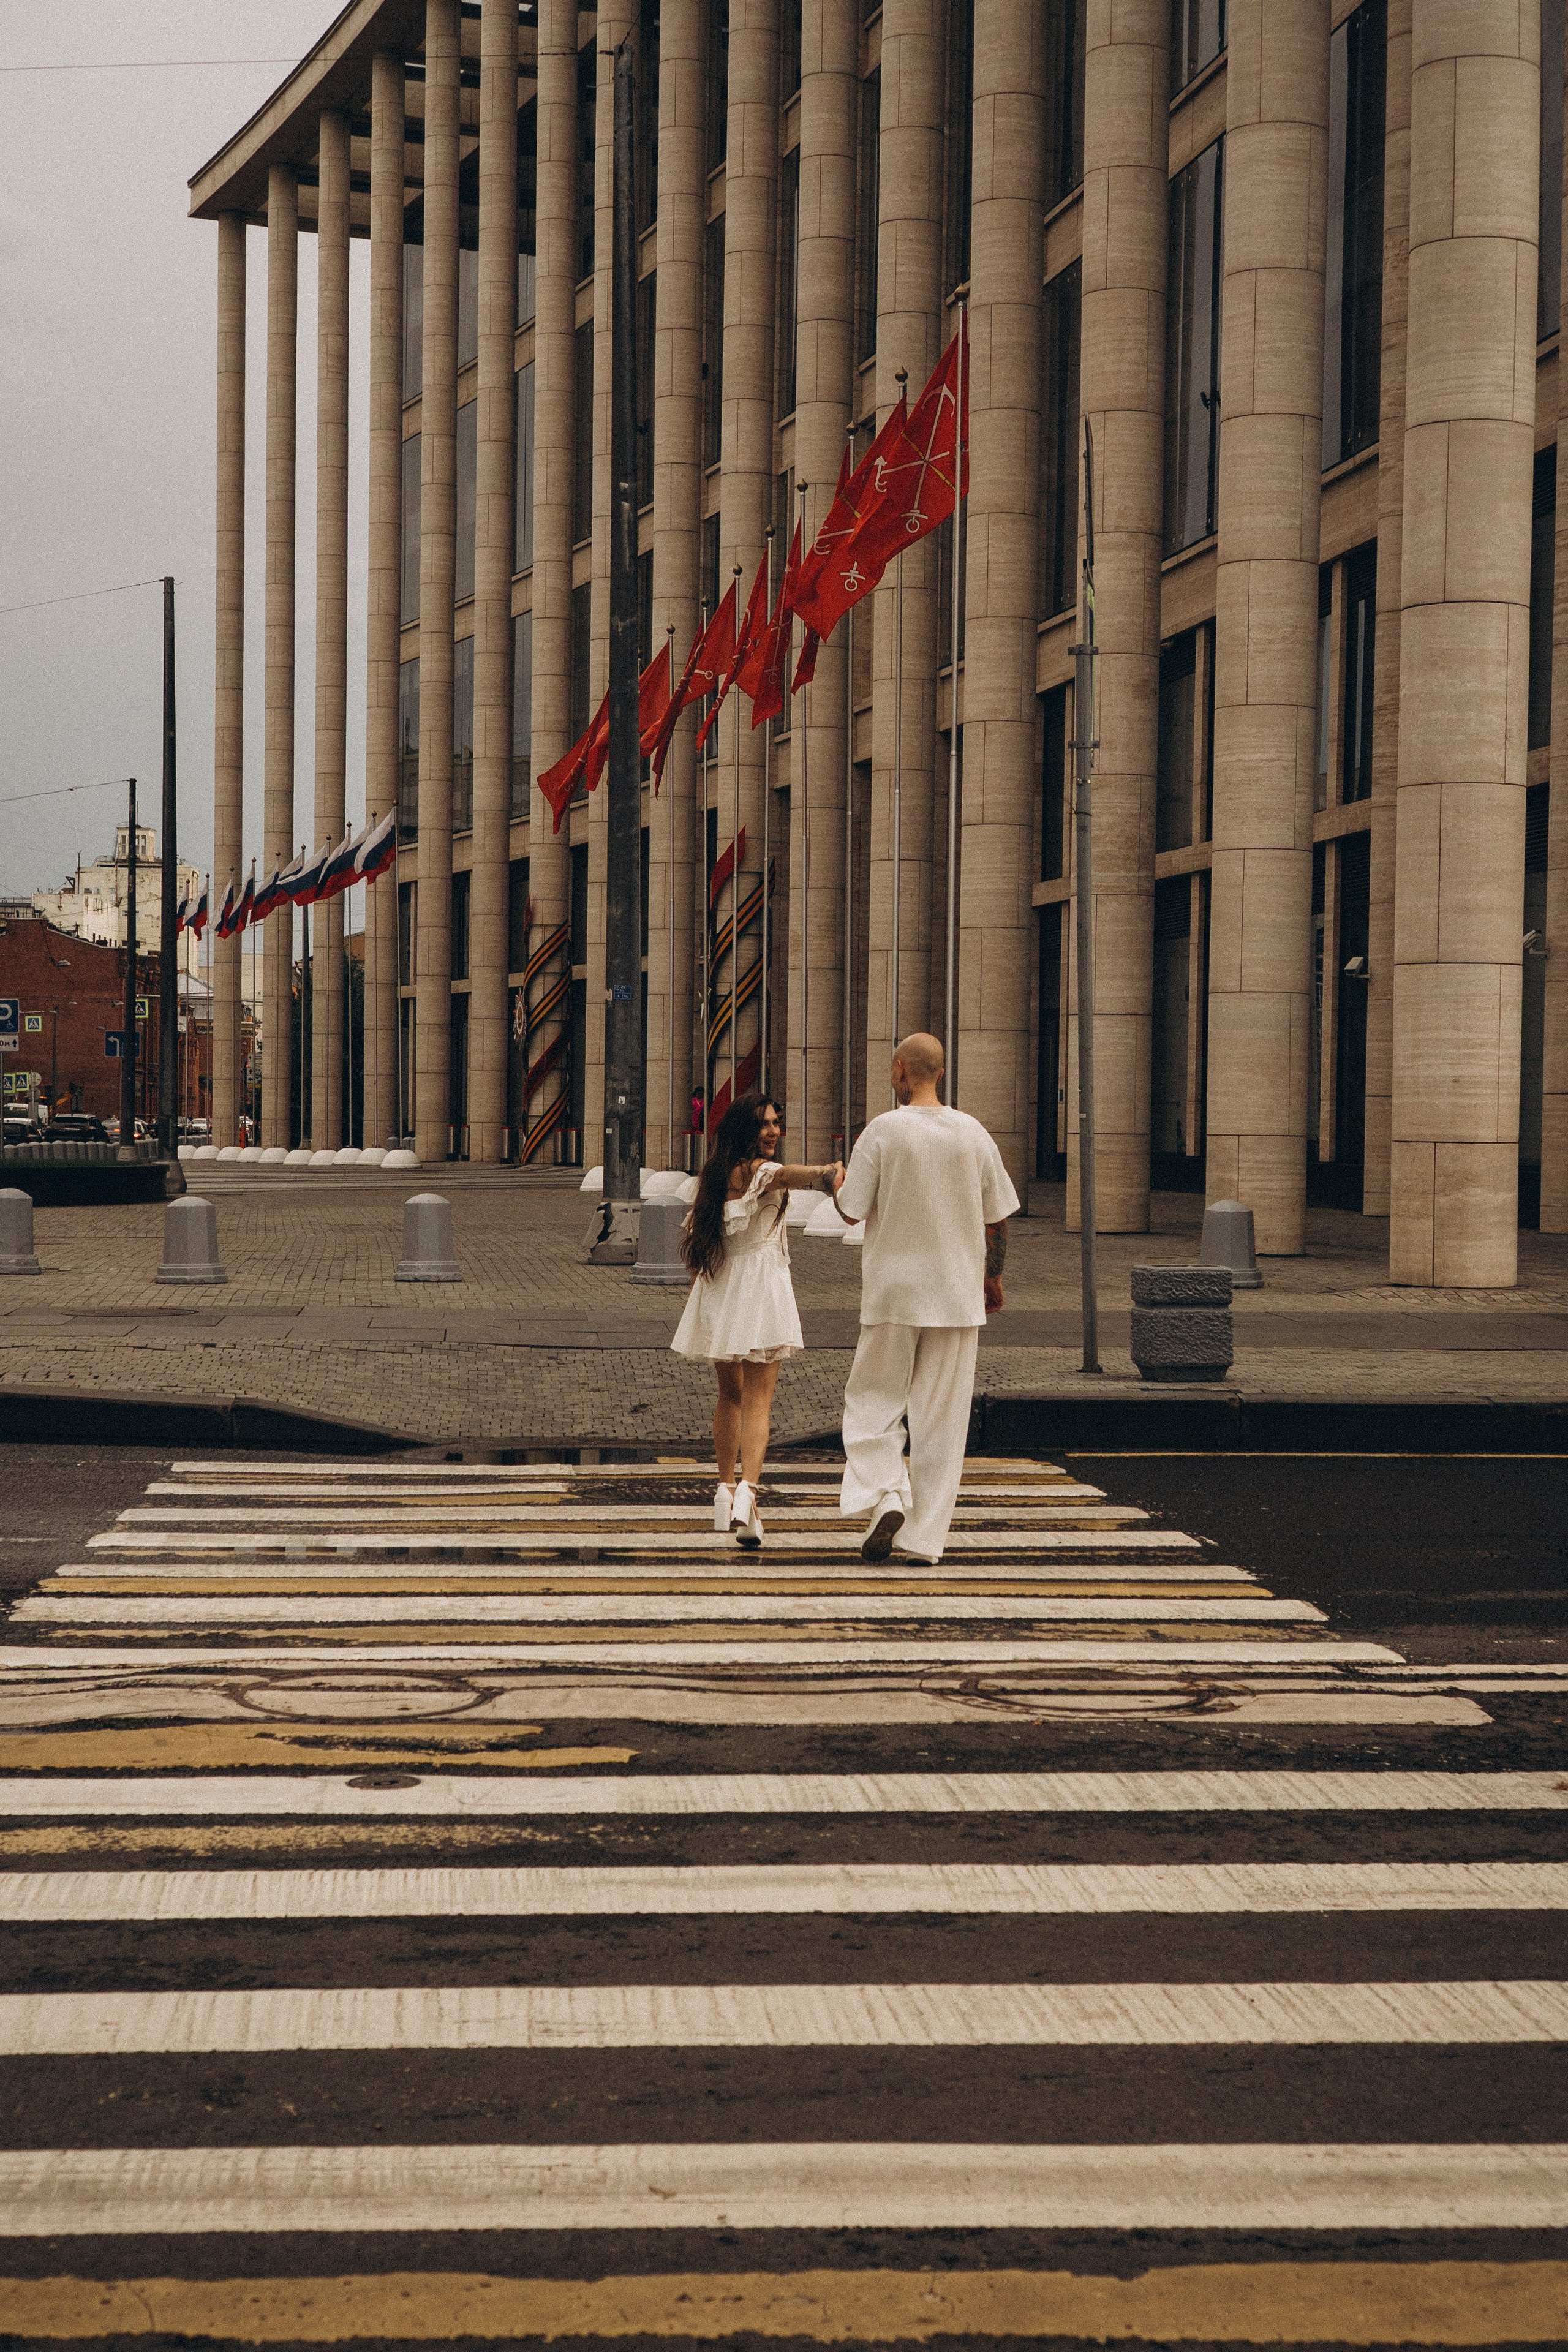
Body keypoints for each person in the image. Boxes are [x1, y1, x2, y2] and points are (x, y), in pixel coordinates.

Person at [830, 1033, 1019, 1562]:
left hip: (893, 1292)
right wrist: (993, 1277)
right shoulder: (974, 1133)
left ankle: (888, 1492)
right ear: (940, 1072)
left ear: (899, 1071)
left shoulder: (883, 1132)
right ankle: (924, 1539)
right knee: (942, 1420)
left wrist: (835, 1181)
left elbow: (851, 1210)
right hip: (958, 1293)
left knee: (872, 1402)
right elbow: (996, 1216)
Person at [671, 1092, 842, 1547]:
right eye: (765, 1124)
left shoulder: (712, 1177)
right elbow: (790, 1175)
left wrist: (706, 1302)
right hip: (762, 1286)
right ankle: (749, 1491)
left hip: (720, 1288)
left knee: (730, 1397)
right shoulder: (759, 1171)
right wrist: (829, 1174)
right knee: (759, 1401)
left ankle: (725, 1491)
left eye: (776, 1122)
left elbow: (694, 1245)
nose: (774, 1131)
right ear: (744, 1130)